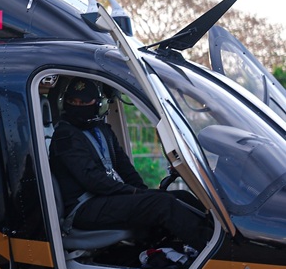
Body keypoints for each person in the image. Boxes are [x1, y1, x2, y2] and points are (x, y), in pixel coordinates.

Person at [49, 78, 212, 256]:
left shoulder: (103, 131)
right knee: (162, 204)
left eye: (83, 102)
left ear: (99, 104)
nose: (77, 106)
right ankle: (212, 252)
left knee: (181, 196)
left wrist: (141, 191)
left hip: (105, 199)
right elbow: (92, 180)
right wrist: (134, 193)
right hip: (85, 207)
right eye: (73, 102)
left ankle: (215, 236)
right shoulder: (64, 136)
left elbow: (126, 169)